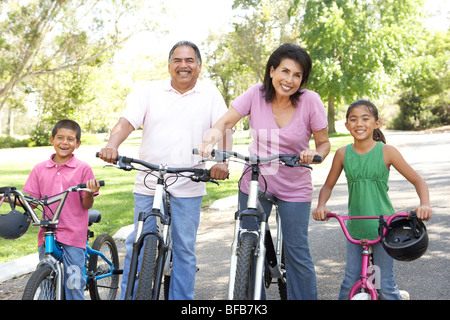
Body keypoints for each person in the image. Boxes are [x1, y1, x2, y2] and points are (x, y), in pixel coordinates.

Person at [98, 41, 229, 300]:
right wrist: (112, 144)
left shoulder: (210, 94)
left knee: (184, 250)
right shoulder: (148, 91)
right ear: (169, 65)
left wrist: (220, 161)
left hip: (189, 181)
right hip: (149, 180)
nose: (183, 65)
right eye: (178, 60)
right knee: (137, 242)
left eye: (189, 60)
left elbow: (225, 126)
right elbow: (126, 122)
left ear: (199, 66)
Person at [198, 43, 330, 300]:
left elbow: (324, 143)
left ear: (303, 79)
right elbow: (225, 121)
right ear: (272, 71)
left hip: (294, 184)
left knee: (297, 251)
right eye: (285, 71)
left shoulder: (310, 101)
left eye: (297, 75)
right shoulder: (255, 94)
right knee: (246, 243)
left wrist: (315, 154)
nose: (290, 80)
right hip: (256, 180)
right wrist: (209, 142)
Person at [312, 99, 432, 300]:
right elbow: (328, 186)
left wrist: (424, 204)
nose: (359, 124)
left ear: (377, 123)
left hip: (384, 228)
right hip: (356, 230)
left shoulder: (387, 151)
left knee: (385, 286)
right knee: (349, 282)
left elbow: (417, 180)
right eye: (353, 119)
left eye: (365, 118)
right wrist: (321, 205)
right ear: (347, 125)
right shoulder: (343, 154)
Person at [23, 119, 101, 300]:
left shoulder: (83, 169)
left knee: (73, 287)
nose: (65, 143)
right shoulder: (39, 169)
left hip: (73, 235)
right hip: (47, 233)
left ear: (78, 144)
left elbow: (86, 205)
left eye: (70, 139)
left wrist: (90, 192)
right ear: (52, 140)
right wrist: (9, 198)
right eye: (60, 138)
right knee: (46, 287)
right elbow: (32, 202)